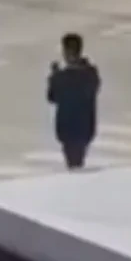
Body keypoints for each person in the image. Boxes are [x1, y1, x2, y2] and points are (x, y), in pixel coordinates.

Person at [47, 33, 101, 171]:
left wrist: (54, 76)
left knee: (73, 162)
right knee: (76, 160)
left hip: (68, 127)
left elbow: (52, 97)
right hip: (85, 126)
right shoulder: (90, 73)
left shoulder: (63, 77)